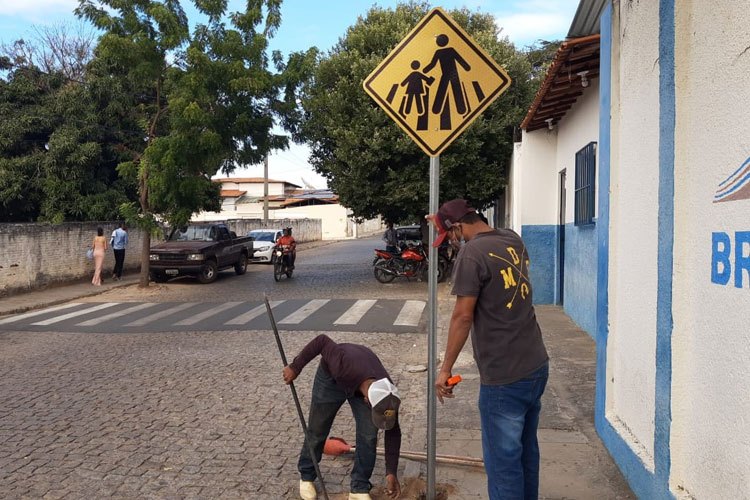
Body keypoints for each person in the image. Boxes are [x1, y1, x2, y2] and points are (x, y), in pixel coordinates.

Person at [428, 199, 549, 500]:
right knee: (525, 454)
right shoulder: (511, 238)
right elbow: (486, 262)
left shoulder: (471, 254)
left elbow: (462, 316)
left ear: (457, 228)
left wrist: (445, 369)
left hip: (504, 376)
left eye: (450, 236)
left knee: (502, 464)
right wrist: (442, 222)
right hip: (535, 364)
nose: (452, 243)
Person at [282, 334, 402, 500]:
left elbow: (393, 431)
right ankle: (307, 475)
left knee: (368, 436)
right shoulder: (342, 363)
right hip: (331, 379)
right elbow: (322, 341)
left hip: (363, 377)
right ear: (367, 400)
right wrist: (296, 367)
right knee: (318, 427)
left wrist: (391, 472)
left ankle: (359, 488)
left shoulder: (388, 396)